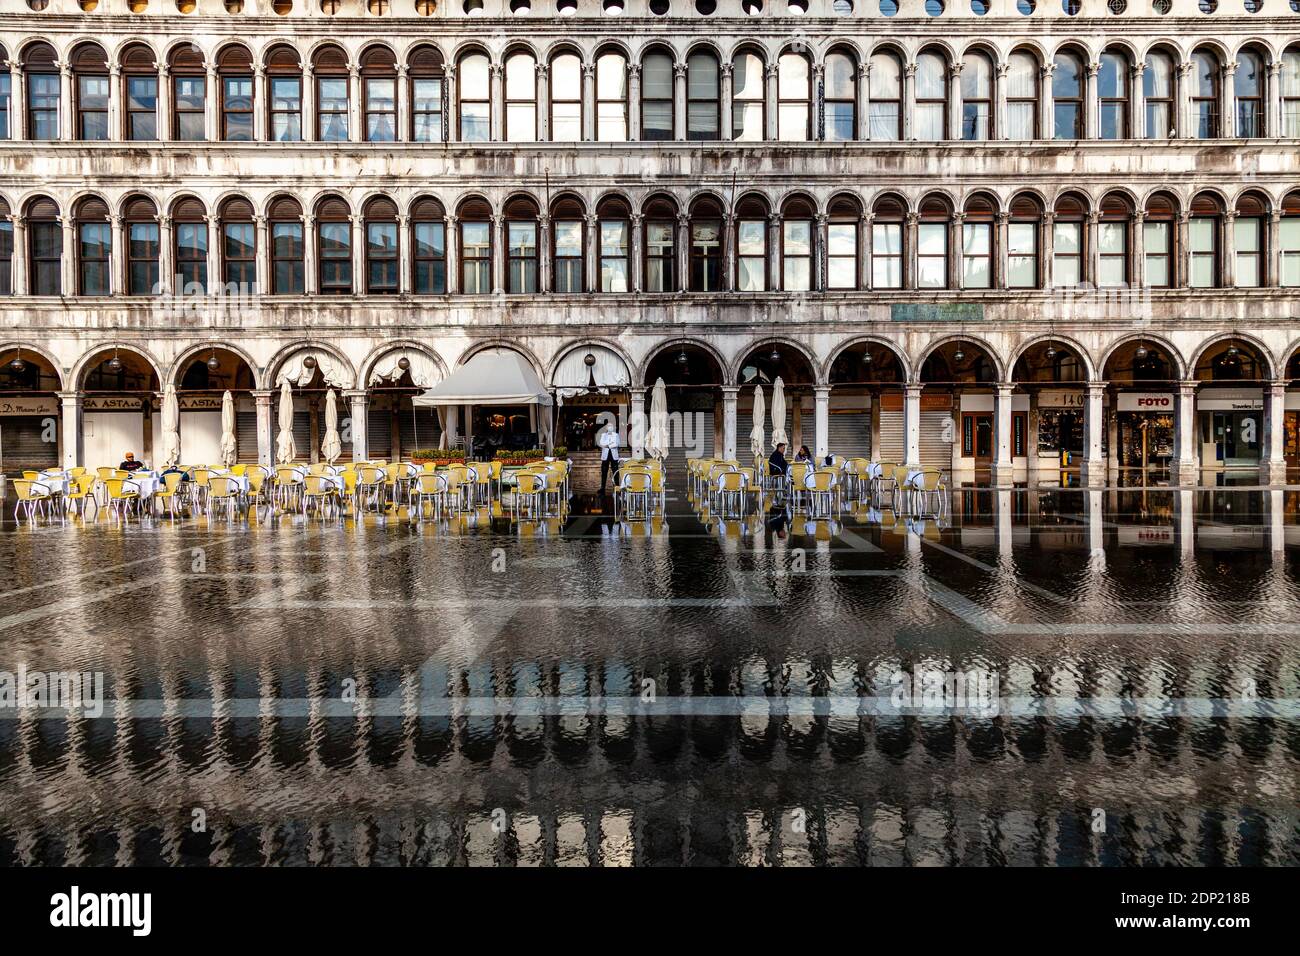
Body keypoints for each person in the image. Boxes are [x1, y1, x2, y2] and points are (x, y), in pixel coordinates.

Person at [597, 421, 621, 494]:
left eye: (611, 426)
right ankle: (602, 488)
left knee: (615, 472)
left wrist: (607, 445)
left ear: (613, 428)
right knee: (604, 472)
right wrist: (610, 444)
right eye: (608, 426)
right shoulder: (603, 435)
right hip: (605, 456)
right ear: (607, 428)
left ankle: (617, 487)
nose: (610, 427)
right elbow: (601, 443)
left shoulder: (616, 435)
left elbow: (617, 444)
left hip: (613, 456)